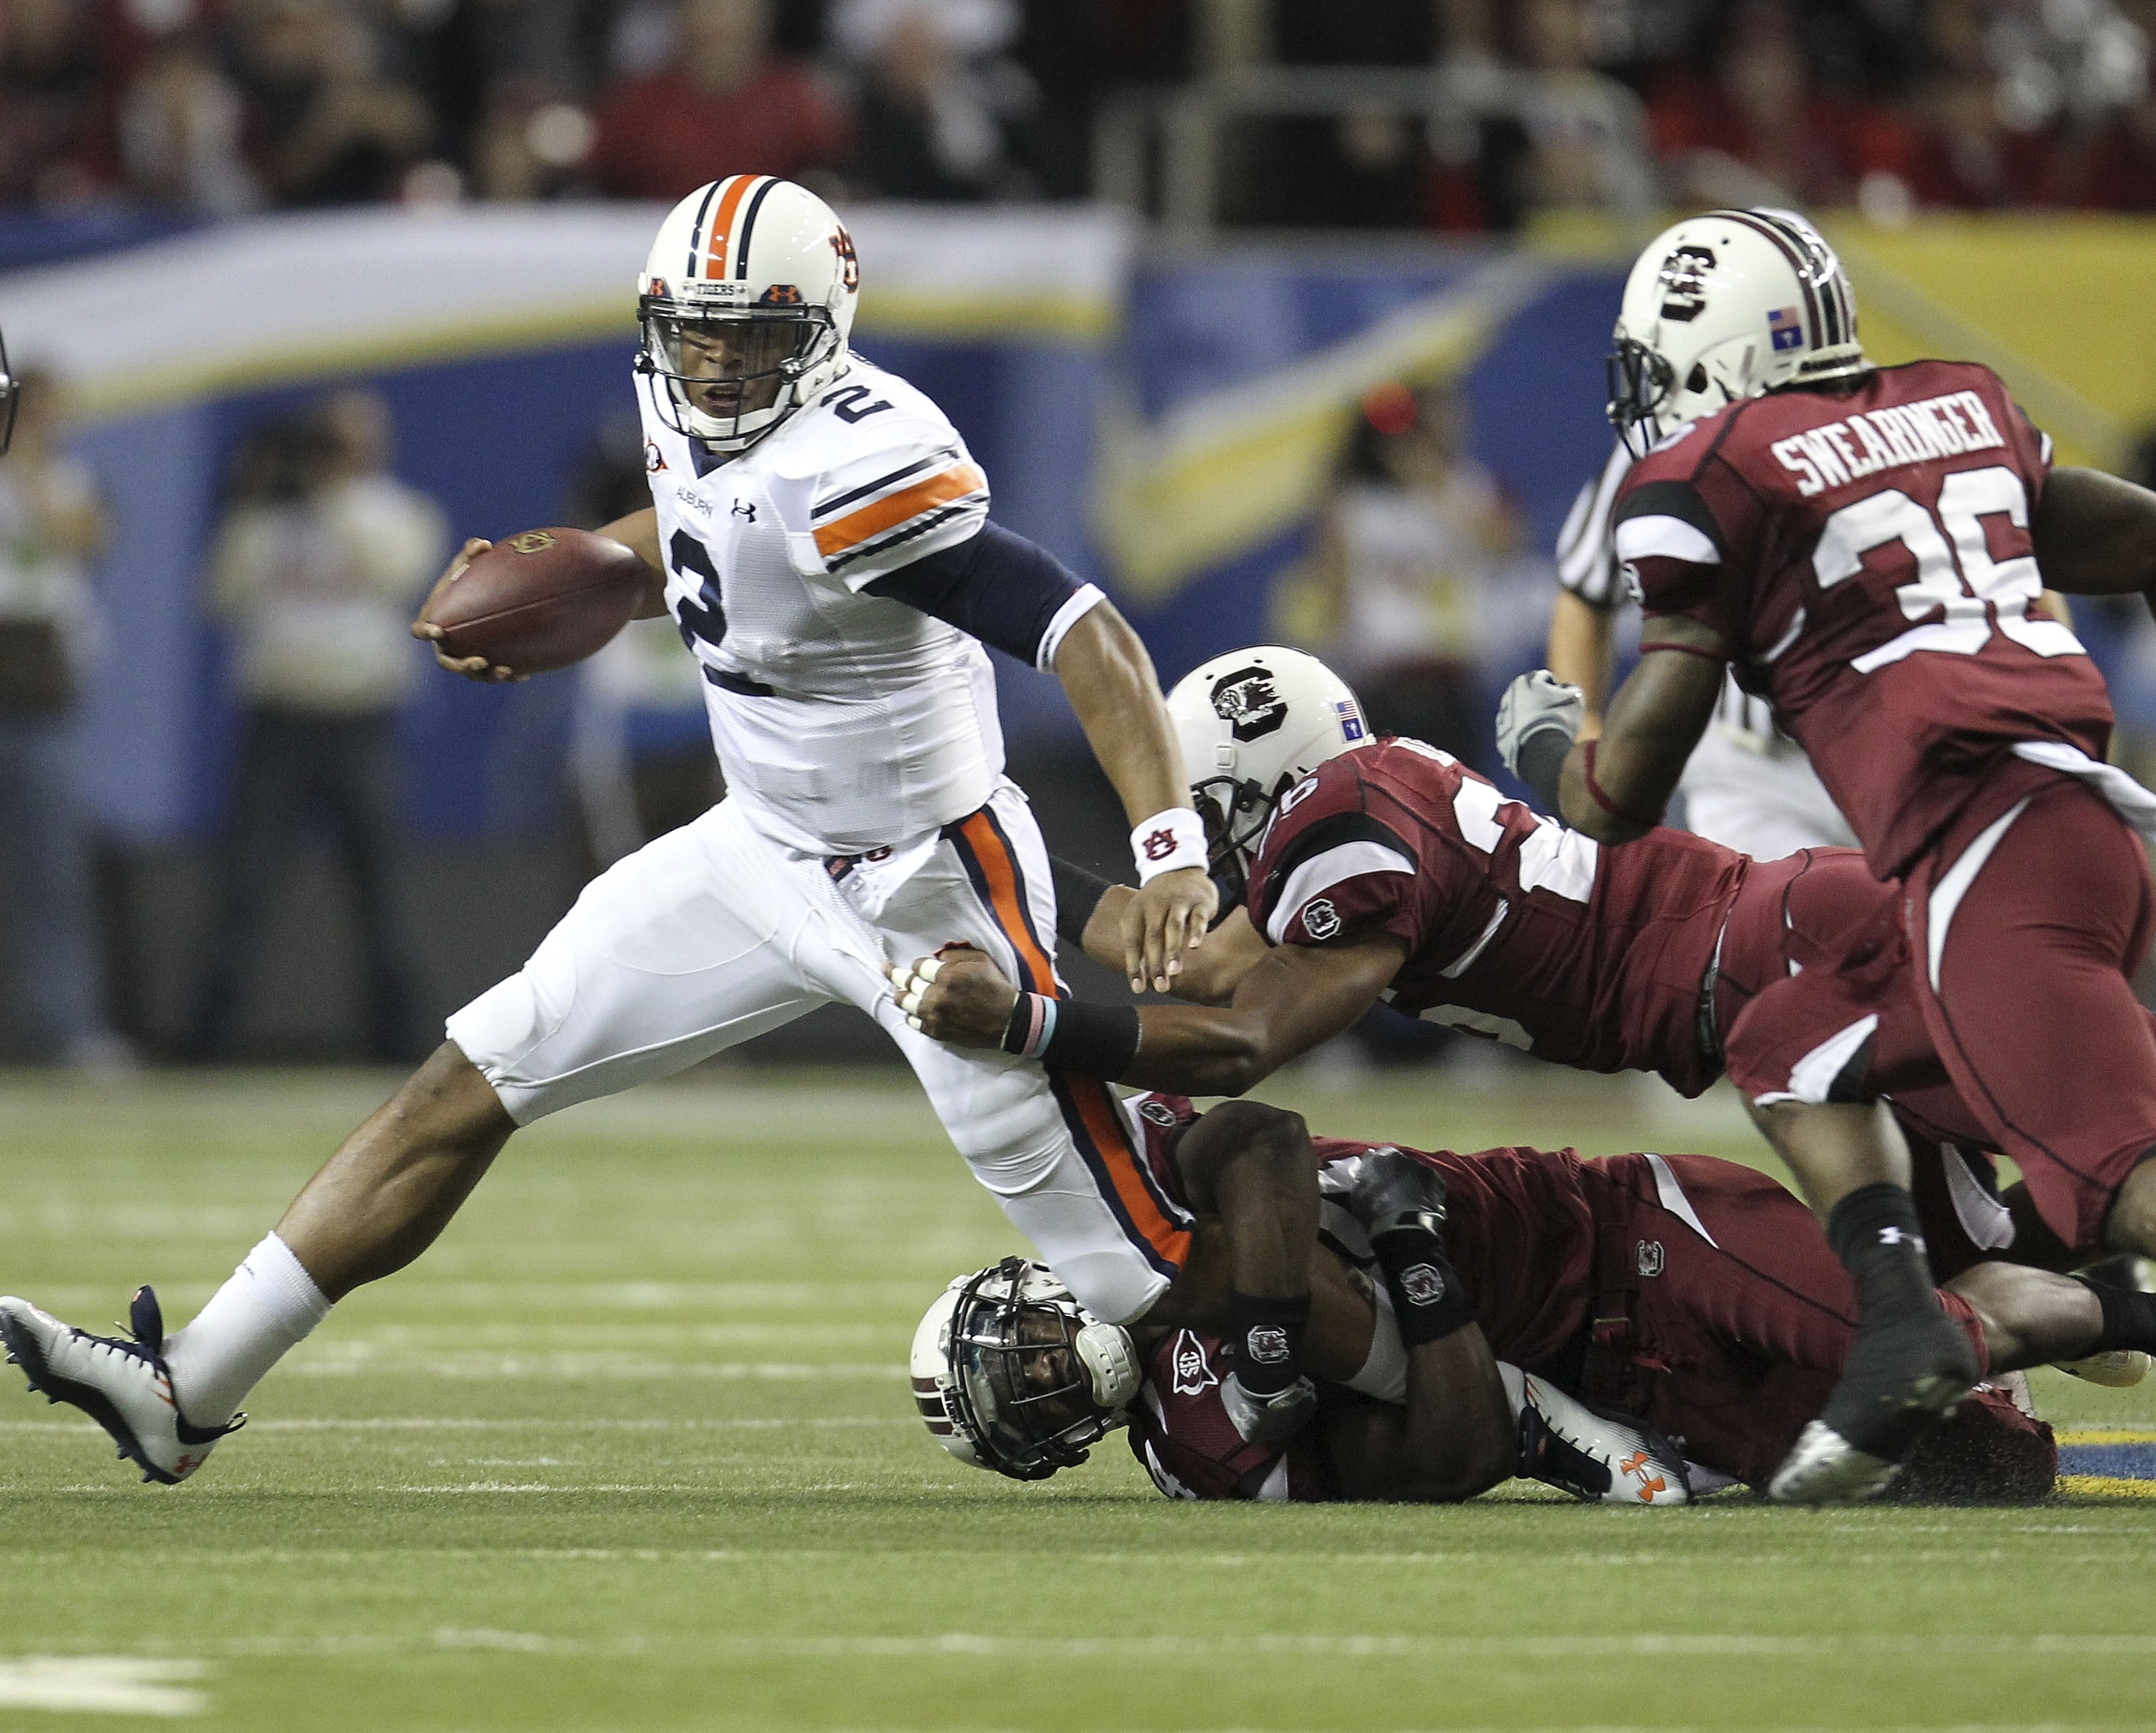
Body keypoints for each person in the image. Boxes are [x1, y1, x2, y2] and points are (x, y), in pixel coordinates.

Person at [0, 176, 1219, 1488]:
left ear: (823, 330)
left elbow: (1084, 633)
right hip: (753, 847)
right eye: (693, 332)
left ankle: (1330, 1373)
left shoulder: (865, 465)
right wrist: (586, 578)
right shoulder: (679, 400)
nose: (715, 364)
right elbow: (699, 531)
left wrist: (1169, 847)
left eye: (750, 339)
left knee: (1129, 1268)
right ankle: (188, 1388)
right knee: (472, 1075)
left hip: (924, 884)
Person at [1498, 206, 2156, 1502]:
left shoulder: (1711, 477)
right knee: (1789, 1035)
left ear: (1709, 359)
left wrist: (1543, 755)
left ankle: (2011, 1298)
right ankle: (1905, 1315)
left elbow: (1623, 796)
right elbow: (2125, 532)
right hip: (2057, 820)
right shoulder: (1952, 399)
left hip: (1992, 854)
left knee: (2129, 1183)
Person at [914, 1095, 2101, 1504]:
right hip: (1618, 1387)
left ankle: (2065, 1299)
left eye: (1014, 1343)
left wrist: (1268, 1351)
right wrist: (1415, 1255)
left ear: (1030, 1279)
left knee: (1910, 1342)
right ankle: (2003, 1295)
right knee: (1996, 1471)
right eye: (1020, 1397)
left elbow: (1264, 1142)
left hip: (1624, 1234)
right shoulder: (1193, 1453)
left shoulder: (1144, 1210)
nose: (1043, 1369)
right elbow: (1454, 1452)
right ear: (1053, 1450)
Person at [185, 387, 445, 1063]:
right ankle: (209, 1043)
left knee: (383, 889)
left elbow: (396, 571)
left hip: (363, 717)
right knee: (245, 884)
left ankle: (400, 1042)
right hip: (279, 716)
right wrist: (257, 497)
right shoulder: (269, 518)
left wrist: (329, 494)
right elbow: (219, 595)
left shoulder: (397, 511)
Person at [0, 364, 126, 1068]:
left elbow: (83, 536)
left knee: (53, 873)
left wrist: (26, 470)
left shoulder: (68, 479)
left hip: (43, 690)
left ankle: (66, 1029)